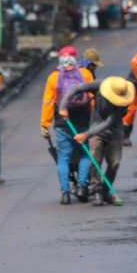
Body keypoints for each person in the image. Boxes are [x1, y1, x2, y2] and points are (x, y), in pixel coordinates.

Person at [62, 76, 135, 206]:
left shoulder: (124, 103)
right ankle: (96, 191)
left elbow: (109, 122)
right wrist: (63, 106)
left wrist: (86, 134)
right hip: (96, 131)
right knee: (95, 161)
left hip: (115, 132)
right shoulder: (100, 86)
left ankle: (105, 191)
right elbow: (75, 88)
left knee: (114, 163)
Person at [41, 46, 94, 204]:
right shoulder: (85, 73)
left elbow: (48, 102)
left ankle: (65, 193)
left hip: (62, 121)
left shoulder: (53, 77)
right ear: (75, 57)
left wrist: (44, 124)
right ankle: (82, 187)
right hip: (83, 120)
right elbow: (92, 97)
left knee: (63, 158)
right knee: (85, 154)